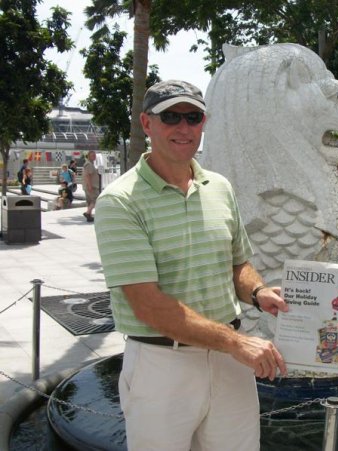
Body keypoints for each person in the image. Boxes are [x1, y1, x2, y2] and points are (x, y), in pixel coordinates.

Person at [94, 79, 288, 451]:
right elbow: (149, 305)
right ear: (147, 123)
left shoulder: (220, 187)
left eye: (193, 117)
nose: (184, 128)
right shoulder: (119, 202)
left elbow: (237, 264)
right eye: (171, 117)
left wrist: (259, 292)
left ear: (203, 123)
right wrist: (236, 342)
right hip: (162, 364)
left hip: (230, 362)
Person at [82, 151, 100, 222]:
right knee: (96, 200)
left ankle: (89, 216)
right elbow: (87, 175)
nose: (94, 157)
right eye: (92, 155)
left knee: (90, 202)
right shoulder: (89, 164)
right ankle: (87, 213)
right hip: (91, 186)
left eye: (95, 155)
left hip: (89, 186)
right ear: (88, 156)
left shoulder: (89, 164)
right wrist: (90, 186)